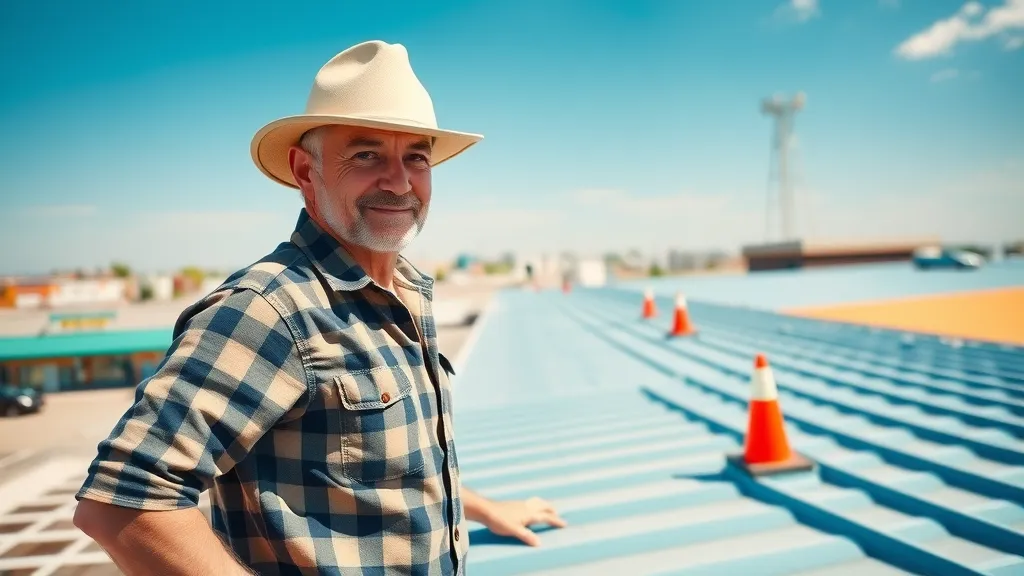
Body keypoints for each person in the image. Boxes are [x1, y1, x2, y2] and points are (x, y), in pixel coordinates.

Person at [72, 40, 566, 575]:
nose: (399, 182)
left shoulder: (402, 293)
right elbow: (121, 500)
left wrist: (483, 509)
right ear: (306, 171)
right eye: (366, 155)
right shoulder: (270, 310)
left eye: (416, 158)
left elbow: (388, 462)